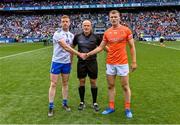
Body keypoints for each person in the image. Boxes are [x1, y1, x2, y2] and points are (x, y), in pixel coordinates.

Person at [84, 10, 137, 118]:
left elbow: (132, 46)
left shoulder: (126, 30)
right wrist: (89, 54)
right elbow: (100, 47)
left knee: (125, 86)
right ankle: (111, 107)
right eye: (111, 17)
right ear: (109, 18)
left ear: (119, 17)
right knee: (110, 86)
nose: (113, 18)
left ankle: (127, 109)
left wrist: (134, 62)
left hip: (122, 63)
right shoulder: (107, 32)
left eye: (115, 17)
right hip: (110, 63)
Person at [48, 15, 83, 117]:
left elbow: (70, 51)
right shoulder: (57, 33)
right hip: (56, 62)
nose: (65, 23)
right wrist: (79, 54)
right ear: (61, 23)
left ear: (70, 23)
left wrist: (71, 62)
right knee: (53, 84)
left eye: (66, 21)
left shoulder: (72, 35)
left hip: (66, 63)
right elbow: (65, 47)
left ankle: (65, 103)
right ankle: (51, 106)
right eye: (63, 21)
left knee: (65, 83)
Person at [72, 20, 101, 112]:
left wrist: (113, 51)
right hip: (81, 62)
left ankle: (95, 103)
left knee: (93, 82)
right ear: (82, 26)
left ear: (91, 26)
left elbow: (102, 47)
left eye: (88, 25)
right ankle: (81, 102)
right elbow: (71, 48)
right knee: (82, 81)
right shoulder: (77, 37)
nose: (86, 27)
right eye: (84, 25)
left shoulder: (96, 37)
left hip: (92, 62)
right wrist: (70, 59)